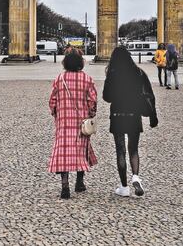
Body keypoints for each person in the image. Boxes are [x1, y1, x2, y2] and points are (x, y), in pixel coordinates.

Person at [103, 46, 157, 198]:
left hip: (118, 114)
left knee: (120, 150)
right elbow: (150, 95)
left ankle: (124, 187)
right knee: (133, 149)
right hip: (134, 114)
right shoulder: (139, 73)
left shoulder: (113, 74)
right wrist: (153, 115)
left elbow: (106, 97)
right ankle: (136, 177)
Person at [47, 49, 97, 199]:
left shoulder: (59, 79)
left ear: (65, 63)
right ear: (81, 63)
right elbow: (92, 101)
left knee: (63, 152)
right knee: (81, 150)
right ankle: (79, 183)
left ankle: (65, 186)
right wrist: (91, 114)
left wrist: (56, 113)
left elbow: (52, 101)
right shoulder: (87, 79)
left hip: (64, 122)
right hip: (81, 122)